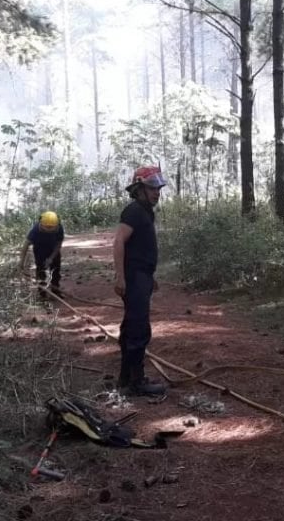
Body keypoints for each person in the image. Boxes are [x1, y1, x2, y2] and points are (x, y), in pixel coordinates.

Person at [113, 166, 168, 397]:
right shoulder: (134, 211)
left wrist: (149, 276)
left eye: (158, 188)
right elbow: (119, 242)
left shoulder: (145, 212)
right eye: (152, 187)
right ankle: (136, 382)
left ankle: (125, 379)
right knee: (138, 328)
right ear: (139, 189)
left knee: (132, 326)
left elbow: (139, 249)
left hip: (141, 276)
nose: (157, 192)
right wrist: (120, 276)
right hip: (134, 278)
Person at [20, 211, 65, 295]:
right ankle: (42, 292)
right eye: (47, 227)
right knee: (40, 270)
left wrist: (51, 258)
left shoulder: (59, 228)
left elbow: (58, 244)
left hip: (53, 249)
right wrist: (21, 262)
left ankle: (55, 290)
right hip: (39, 249)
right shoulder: (35, 230)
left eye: (51, 227)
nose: (49, 229)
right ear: (41, 224)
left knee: (55, 270)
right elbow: (25, 246)